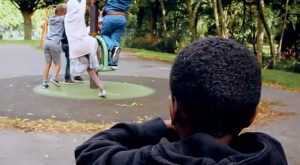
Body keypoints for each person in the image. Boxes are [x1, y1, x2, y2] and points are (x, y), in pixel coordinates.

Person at [74, 37, 288, 165]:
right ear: (252, 115)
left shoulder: (152, 159)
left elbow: (90, 150)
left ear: (174, 110)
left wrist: (161, 126)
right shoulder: (270, 155)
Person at [65, 0, 106, 97]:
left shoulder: (66, 19)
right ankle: (98, 64)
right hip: (86, 43)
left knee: (89, 69)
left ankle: (101, 88)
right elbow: (85, 3)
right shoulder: (79, 14)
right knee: (95, 43)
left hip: (76, 48)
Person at [101, 0, 132, 69]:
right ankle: (113, 63)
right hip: (122, 18)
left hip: (110, 16)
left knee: (103, 35)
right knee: (115, 40)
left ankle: (113, 48)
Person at [42, 6, 65, 88]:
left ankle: (45, 82)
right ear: (61, 12)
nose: (65, 13)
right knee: (58, 64)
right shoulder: (62, 19)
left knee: (48, 63)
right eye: (64, 11)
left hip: (46, 42)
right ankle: (54, 77)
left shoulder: (50, 18)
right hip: (54, 43)